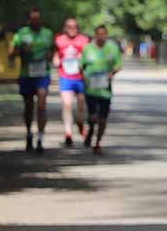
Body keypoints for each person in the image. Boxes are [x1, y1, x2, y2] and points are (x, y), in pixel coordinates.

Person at [9, 8, 54, 153]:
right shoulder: (22, 34)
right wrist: (22, 50)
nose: (36, 22)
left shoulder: (47, 33)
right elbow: (11, 53)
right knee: (28, 107)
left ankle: (40, 137)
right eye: (33, 20)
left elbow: (54, 50)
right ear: (29, 20)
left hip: (42, 74)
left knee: (41, 105)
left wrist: (50, 55)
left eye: (38, 19)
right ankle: (29, 133)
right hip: (26, 74)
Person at [81, 25, 122, 155]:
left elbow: (118, 65)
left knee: (103, 119)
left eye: (103, 34)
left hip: (105, 89)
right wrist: (84, 78)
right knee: (92, 117)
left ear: (106, 35)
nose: (101, 36)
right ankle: (91, 130)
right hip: (91, 89)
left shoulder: (112, 48)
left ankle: (98, 143)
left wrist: (112, 74)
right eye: (98, 34)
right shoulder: (88, 49)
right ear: (95, 35)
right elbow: (81, 66)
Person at [54, 17, 91, 147]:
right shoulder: (59, 40)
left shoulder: (84, 40)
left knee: (81, 105)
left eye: (74, 27)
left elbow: (89, 56)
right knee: (67, 104)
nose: (72, 29)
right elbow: (56, 55)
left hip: (80, 78)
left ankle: (80, 125)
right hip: (65, 77)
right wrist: (56, 60)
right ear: (65, 28)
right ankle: (68, 133)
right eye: (69, 27)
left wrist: (83, 59)